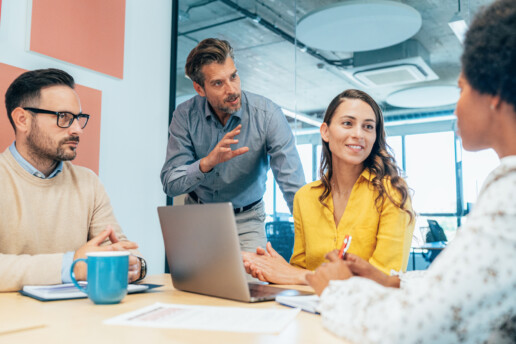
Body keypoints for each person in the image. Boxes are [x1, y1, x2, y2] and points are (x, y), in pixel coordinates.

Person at [306, 0, 516, 342]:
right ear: (325, 132)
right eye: (347, 123)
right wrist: (391, 280)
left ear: (492, 93)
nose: (456, 105)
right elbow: (461, 289)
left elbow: (411, 329)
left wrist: (337, 290)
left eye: (461, 88)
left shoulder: (510, 191)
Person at [243, 89, 415, 284]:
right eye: (348, 123)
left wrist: (296, 275)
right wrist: (278, 269)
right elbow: (299, 270)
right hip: (313, 307)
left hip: (369, 310)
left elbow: (385, 278)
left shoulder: (392, 193)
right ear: (325, 131)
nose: (358, 134)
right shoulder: (305, 197)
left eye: (368, 126)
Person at [0, 68, 146, 292]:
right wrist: (72, 266)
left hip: (79, 319)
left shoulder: (88, 182)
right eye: (64, 118)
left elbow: (115, 247)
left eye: (78, 118)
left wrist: (136, 265)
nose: (77, 129)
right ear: (22, 120)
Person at [160, 38, 305, 252]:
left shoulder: (268, 115)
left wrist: (311, 237)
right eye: (218, 83)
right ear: (200, 89)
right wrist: (207, 163)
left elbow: (293, 185)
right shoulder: (184, 115)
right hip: (197, 215)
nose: (232, 90)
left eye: (233, 76)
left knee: (250, 285)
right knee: (193, 285)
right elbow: (170, 184)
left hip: (248, 218)